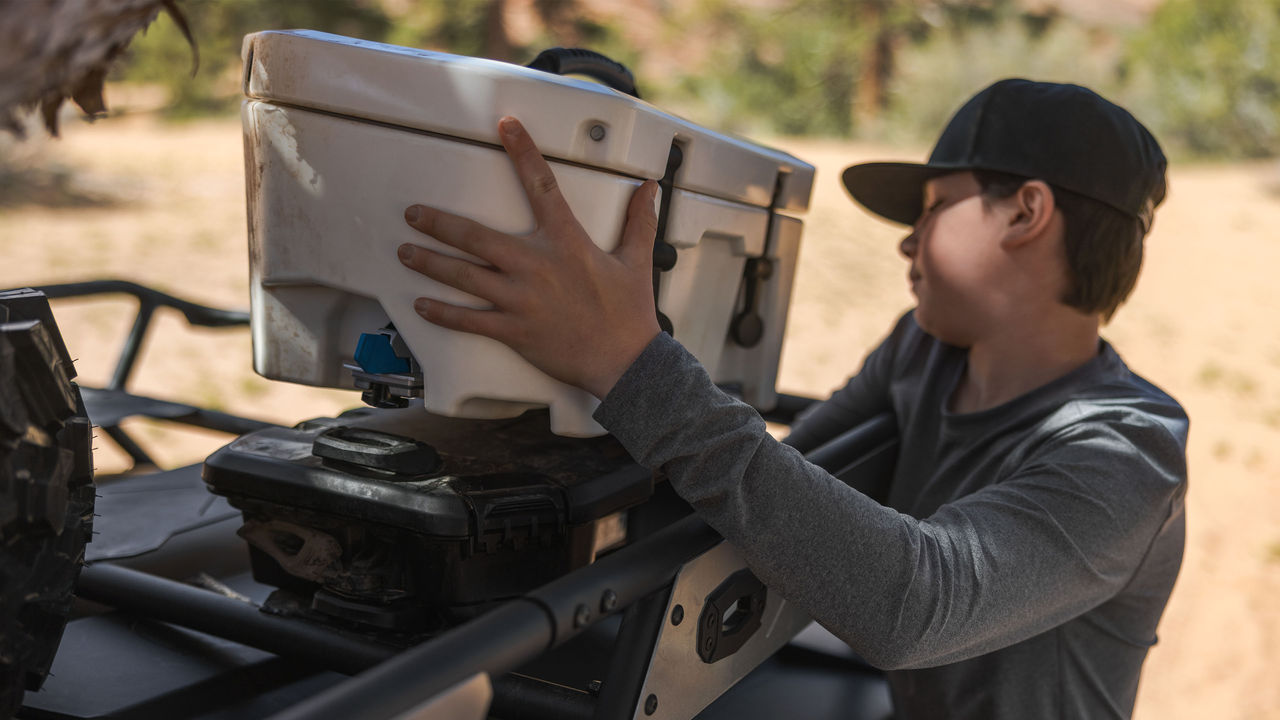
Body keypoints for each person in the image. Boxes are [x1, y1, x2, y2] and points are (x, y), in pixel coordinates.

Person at [394, 78, 1188, 719]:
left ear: (1026, 213)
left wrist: (628, 361)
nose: (908, 241)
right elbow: (789, 474)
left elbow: (914, 606)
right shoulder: (927, 349)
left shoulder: (1125, 453)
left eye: (933, 208)